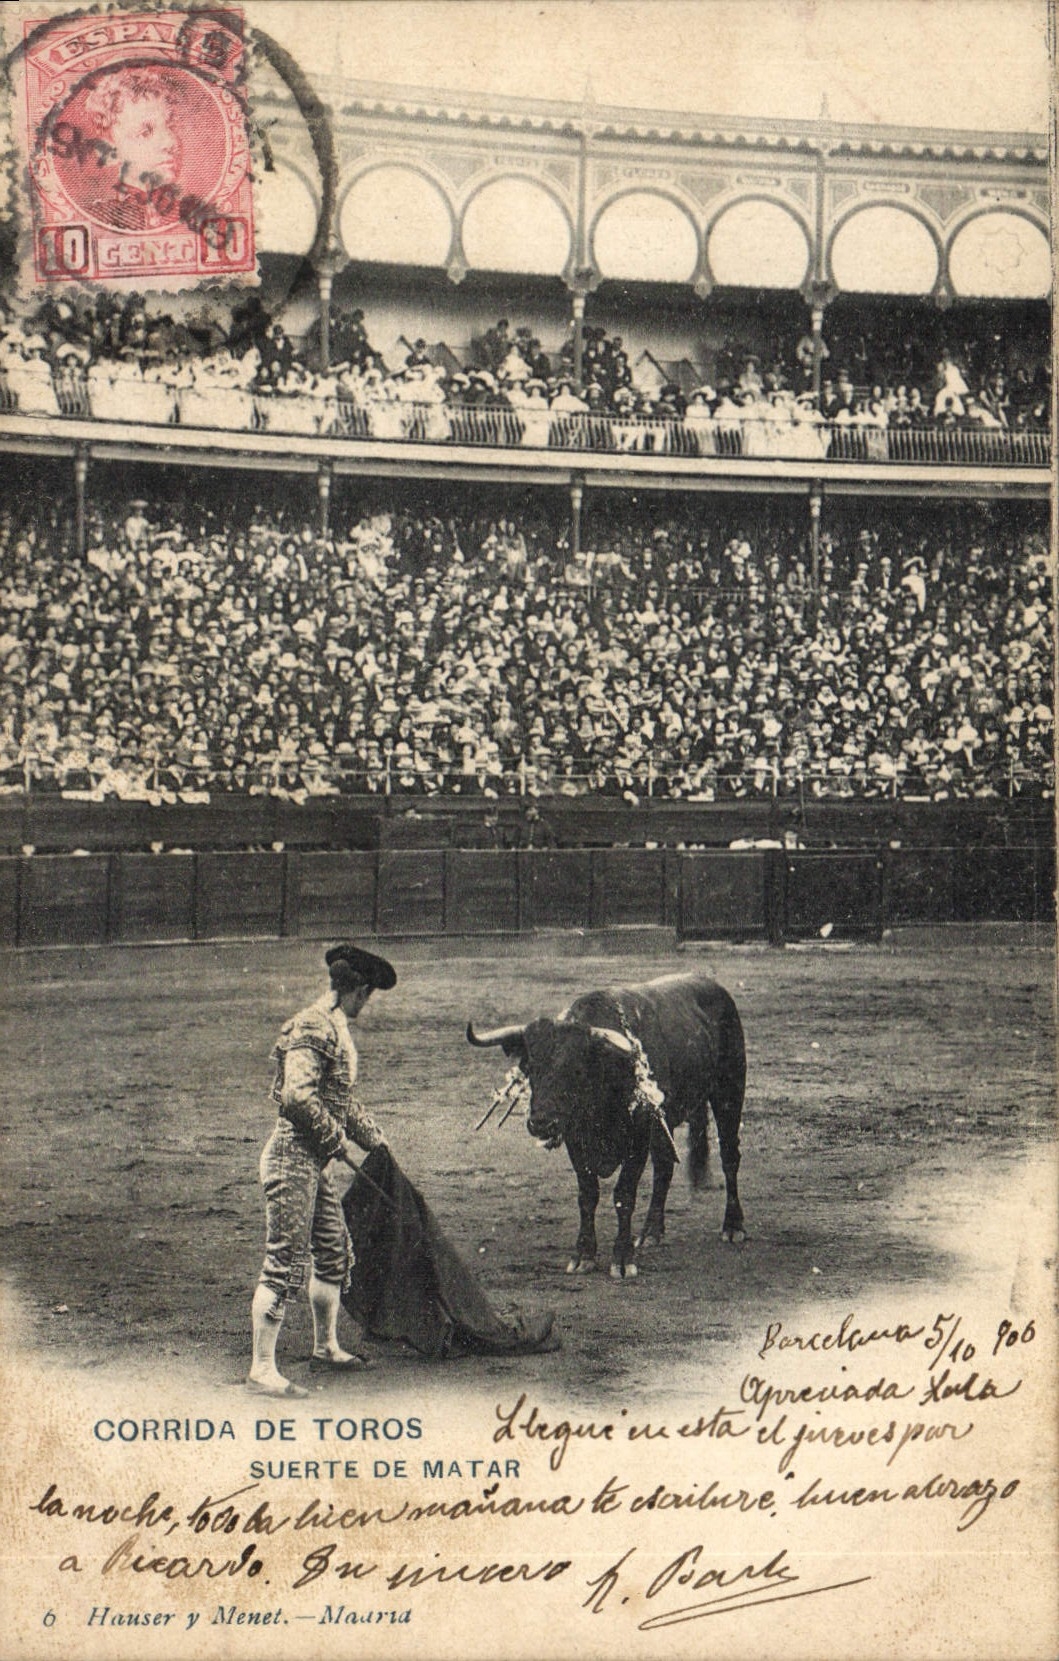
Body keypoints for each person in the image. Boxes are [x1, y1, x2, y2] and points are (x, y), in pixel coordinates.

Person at [248, 942, 397, 1397]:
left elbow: (339, 1100)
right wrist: (335, 1138)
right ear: (360, 991)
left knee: (332, 1250)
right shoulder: (314, 1024)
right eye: (367, 996)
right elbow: (296, 1097)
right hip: (292, 1158)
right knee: (284, 1260)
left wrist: (375, 1140)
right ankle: (260, 1369)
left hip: (314, 1162)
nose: (365, 1005)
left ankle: (325, 1347)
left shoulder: (332, 1025)